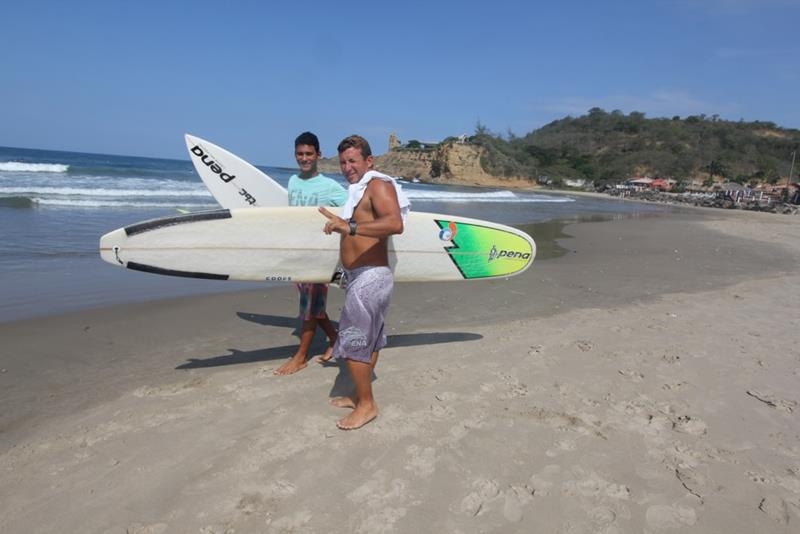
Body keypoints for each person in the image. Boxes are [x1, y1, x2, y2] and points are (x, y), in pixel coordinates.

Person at [319, 134, 410, 429]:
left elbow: (395, 223)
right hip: (362, 277)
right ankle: (359, 395)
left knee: (354, 340)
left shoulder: (377, 185)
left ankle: (367, 405)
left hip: (370, 277)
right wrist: (344, 224)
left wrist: (350, 225)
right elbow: (362, 227)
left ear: (369, 161)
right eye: (343, 162)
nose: (347, 167)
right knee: (369, 340)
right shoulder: (358, 192)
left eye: (353, 161)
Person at [274, 131, 348, 376]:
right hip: (298, 252)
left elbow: (352, 210)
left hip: (319, 255)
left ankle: (301, 357)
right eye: (299, 154)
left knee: (309, 307)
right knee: (312, 304)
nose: (304, 158)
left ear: (318, 154)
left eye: (308, 153)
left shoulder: (330, 187)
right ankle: (336, 339)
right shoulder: (293, 181)